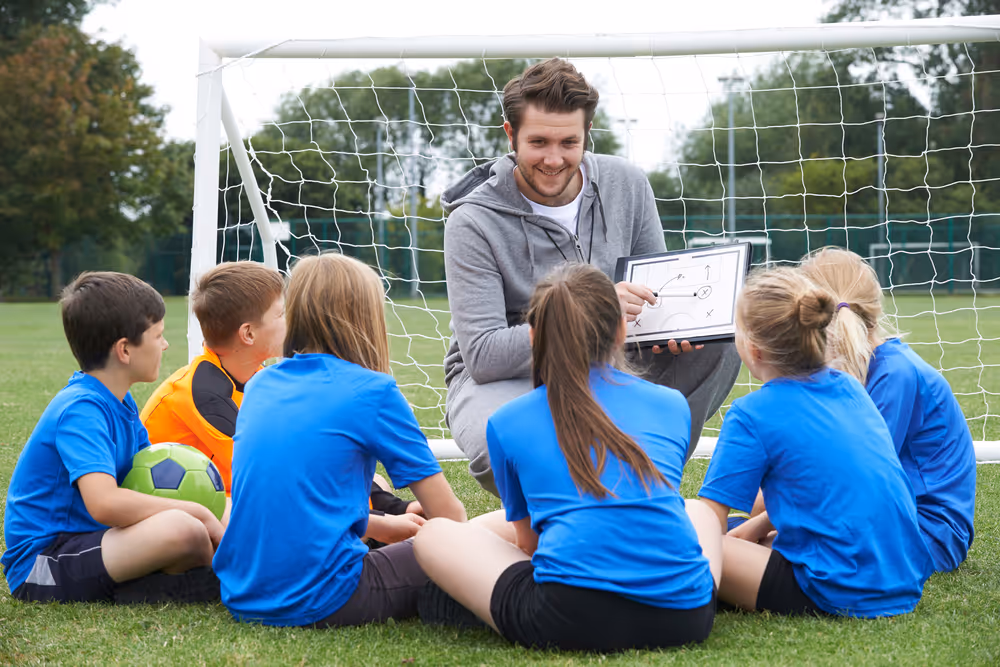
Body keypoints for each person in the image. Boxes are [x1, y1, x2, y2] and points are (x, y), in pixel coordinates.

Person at [442, 57, 741, 495]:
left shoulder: (627, 183)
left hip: (614, 357)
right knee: (500, 443)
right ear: (510, 134)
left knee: (720, 342)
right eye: (538, 142)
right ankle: (560, 512)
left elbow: (654, 296)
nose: (553, 158)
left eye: (569, 142)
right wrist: (584, 315)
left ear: (587, 134)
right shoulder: (471, 221)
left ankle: (647, 481)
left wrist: (674, 326)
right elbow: (485, 357)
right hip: (517, 376)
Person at [413, 263, 722, 652]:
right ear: (622, 330)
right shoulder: (672, 404)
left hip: (569, 619)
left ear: (533, 336)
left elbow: (528, 546)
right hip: (687, 615)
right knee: (698, 511)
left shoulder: (507, 421)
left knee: (435, 535)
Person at [213, 253, 467, 628]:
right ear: (366, 317)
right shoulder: (373, 391)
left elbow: (297, 501)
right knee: (492, 533)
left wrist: (384, 526)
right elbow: (451, 518)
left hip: (242, 592)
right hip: (327, 597)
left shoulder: (261, 383)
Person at [697, 268, 934, 618]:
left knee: (686, 526)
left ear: (753, 349)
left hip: (835, 588)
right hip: (902, 575)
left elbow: (709, 520)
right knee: (740, 531)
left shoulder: (752, 413)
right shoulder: (850, 386)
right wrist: (750, 531)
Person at [2, 272, 223, 604]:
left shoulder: (121, 401)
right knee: (185, 528)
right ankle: (208, 582)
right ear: (125, 350)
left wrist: (210, 509)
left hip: (98, 541)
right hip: (44, 563)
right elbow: (104, 503)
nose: (165, 345)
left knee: (220, 505)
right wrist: (198, 514)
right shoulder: (81, 409)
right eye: (158, 335)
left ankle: (233, 567)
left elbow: (147, 483)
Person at [141, 261, 418, 517]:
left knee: (373, 481)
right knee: (249, 507)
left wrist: (394, 507)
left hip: (241, 492)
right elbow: (284, 476)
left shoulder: (258, 378)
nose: (293, 320)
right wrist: (384, 517)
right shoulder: (204, 395)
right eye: (282, 314)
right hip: (183, 511)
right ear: (248, 334)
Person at [801, 247, 976, 572]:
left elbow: (854, 479)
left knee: (752, 546)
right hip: (879, 517)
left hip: (927, 530)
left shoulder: (895, 373)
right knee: (734, 536)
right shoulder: (851, 371)